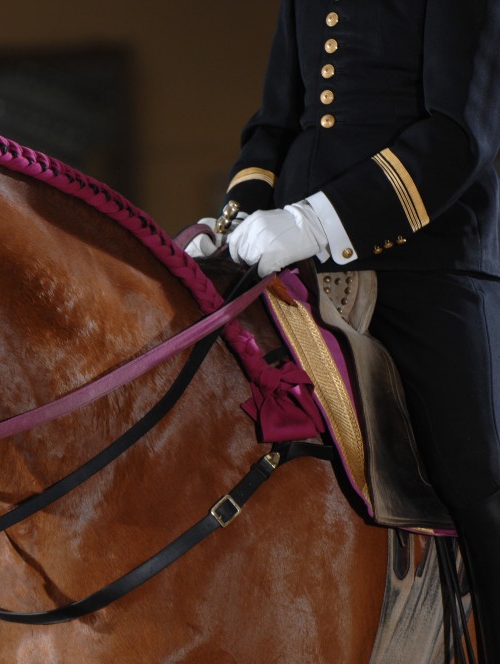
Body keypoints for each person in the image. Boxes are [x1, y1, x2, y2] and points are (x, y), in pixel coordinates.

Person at [187, 1, 500, 658]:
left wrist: (316, 222)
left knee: (482, 483)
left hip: (424, 260)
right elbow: (271, 126)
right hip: (287, 259)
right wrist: (235, 223)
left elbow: (458, 136)